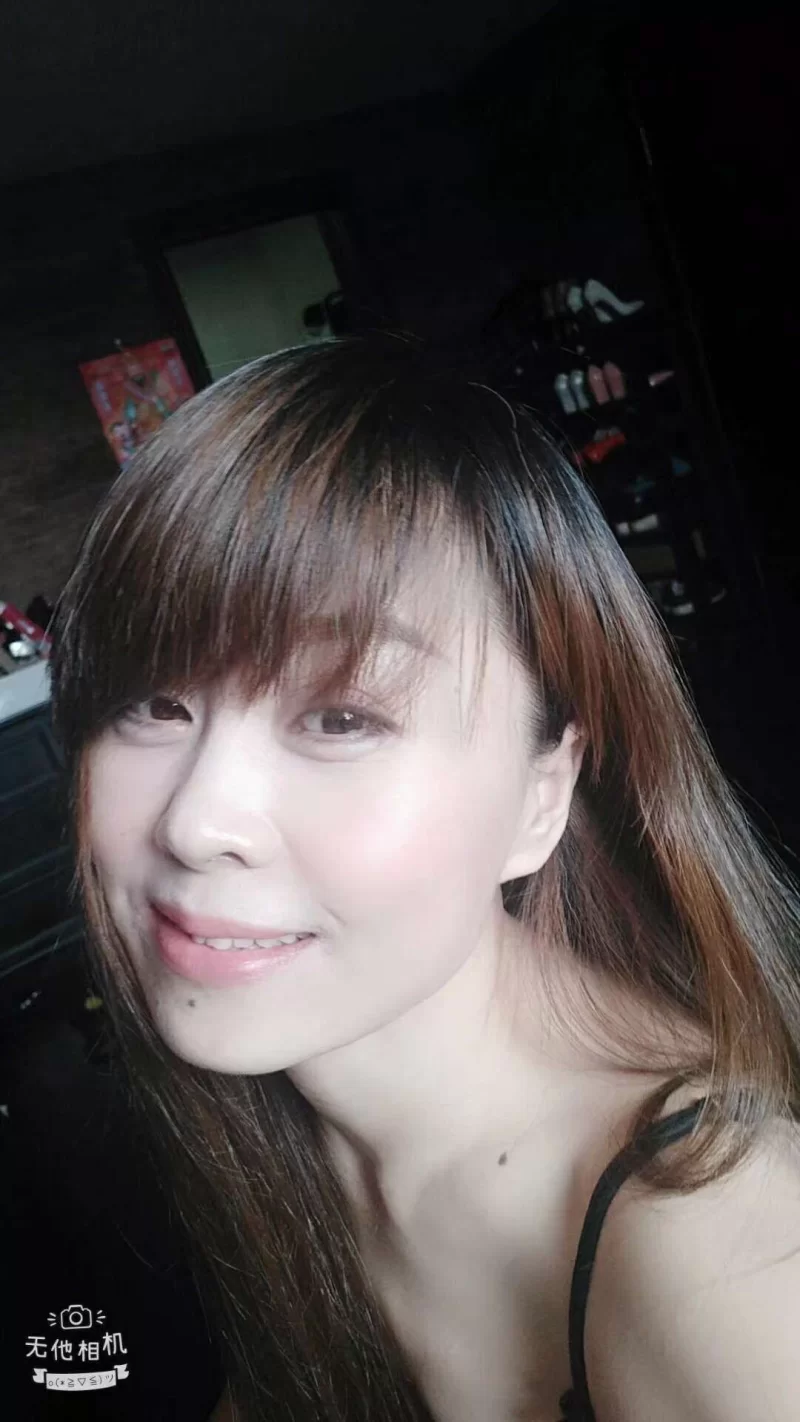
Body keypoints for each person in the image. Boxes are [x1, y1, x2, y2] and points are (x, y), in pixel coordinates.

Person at [49, 334, 800, 1422]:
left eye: (341, 716)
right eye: (153, 703)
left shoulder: (724, 1259)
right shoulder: (273, 1108)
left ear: (541, 795)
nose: (197, 821)